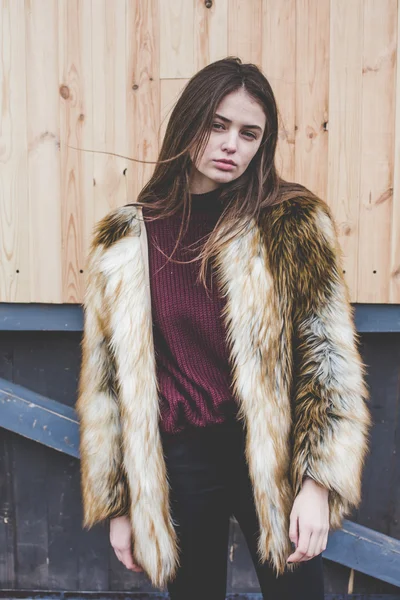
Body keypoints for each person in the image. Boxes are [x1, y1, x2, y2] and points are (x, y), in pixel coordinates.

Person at [76, 57, 372, 600]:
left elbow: (328, 361)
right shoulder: (126, 238)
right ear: (189, 122)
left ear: (264, 143)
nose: (231, 144)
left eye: (249, 133)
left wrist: (318, 483)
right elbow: (107, 385)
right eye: (217, 125)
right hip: (180, 459)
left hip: (272, 453)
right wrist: (120, 503)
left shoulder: (290, 223)